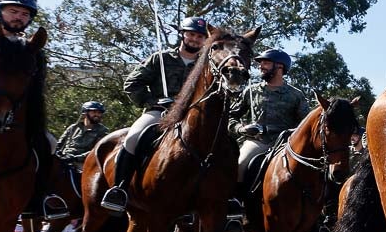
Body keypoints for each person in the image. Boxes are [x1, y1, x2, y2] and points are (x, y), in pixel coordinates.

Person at [102, 17, 208, 213]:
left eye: (200, 37)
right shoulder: (160, 58)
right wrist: (154, 102)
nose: (195, 39)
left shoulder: (206, 66)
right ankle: (119, 189)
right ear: (183, 34)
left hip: (190, 117)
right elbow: (132, 84)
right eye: (192, 34)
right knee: (133, 138)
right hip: (159, 113)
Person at [0, 0, 70, 219]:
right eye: (13, 11)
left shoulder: (32, 50)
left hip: (15, 115)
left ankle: (40, 198)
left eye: (25, 14)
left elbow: (35, 90)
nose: (19, 17)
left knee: (49, 144)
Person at [230, 48, 311, 183]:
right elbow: (231, 116)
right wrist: (241, 129)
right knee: (240, 164)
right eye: (260, 63)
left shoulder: (296, 95)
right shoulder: (251, 91)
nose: (260, 67)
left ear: (280, 66)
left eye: (266, 63)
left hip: (286, 145)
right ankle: (235, 200)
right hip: (258, 142)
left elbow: (306, 125)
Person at [56, 101, 109, 172]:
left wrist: (75, 158)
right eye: (93, 112)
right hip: (65, 159)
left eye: (99, 113)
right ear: (85, 113)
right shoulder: (73, 128)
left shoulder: (102, 131)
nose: (97, 115)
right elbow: (59, 144)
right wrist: (57, 154)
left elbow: (96, 151)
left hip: (83, 163)